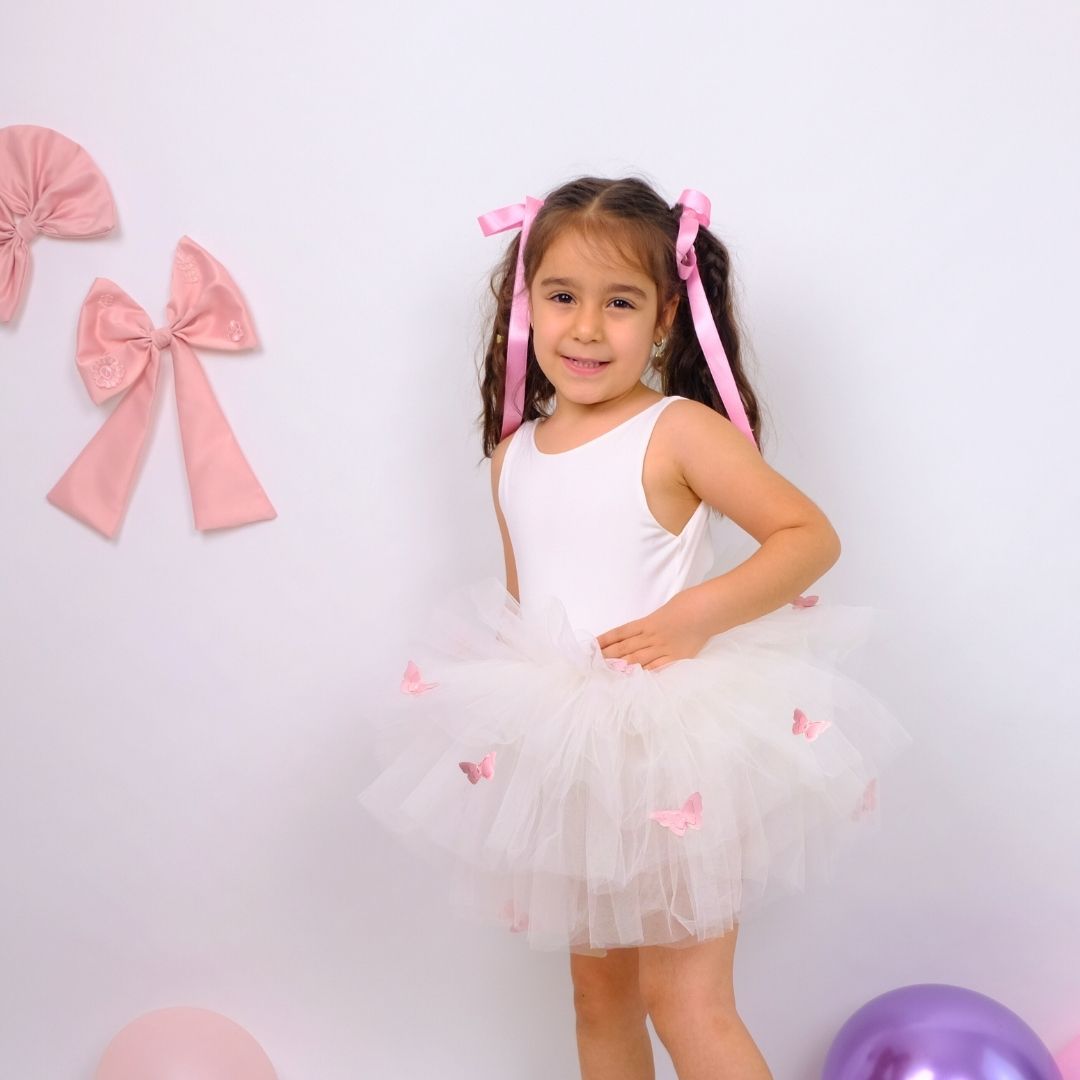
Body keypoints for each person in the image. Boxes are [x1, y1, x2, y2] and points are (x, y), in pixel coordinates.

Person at [357, 176, 911, 1080]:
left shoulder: (679, 429)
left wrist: (692, 617)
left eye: (619, 303)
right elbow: (522, 608)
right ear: (523, 307)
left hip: (669, 746)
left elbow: (809, 537)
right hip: (566, 752)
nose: (585, 328)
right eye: (562, 297)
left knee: (685, 1000)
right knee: (597, 998)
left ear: (663, 320)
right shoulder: (513, 456)